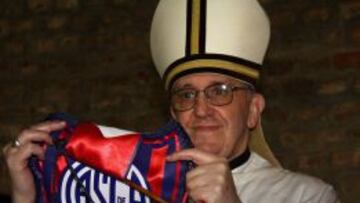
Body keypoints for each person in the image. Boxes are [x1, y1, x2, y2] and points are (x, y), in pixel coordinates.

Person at [3, 0, 339, 202]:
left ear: (253, 110)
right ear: (172, 113)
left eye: (220, 91)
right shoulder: (126, 186)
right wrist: (29, 195)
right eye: (186, 94)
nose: (201, 108)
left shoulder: (306, 196)